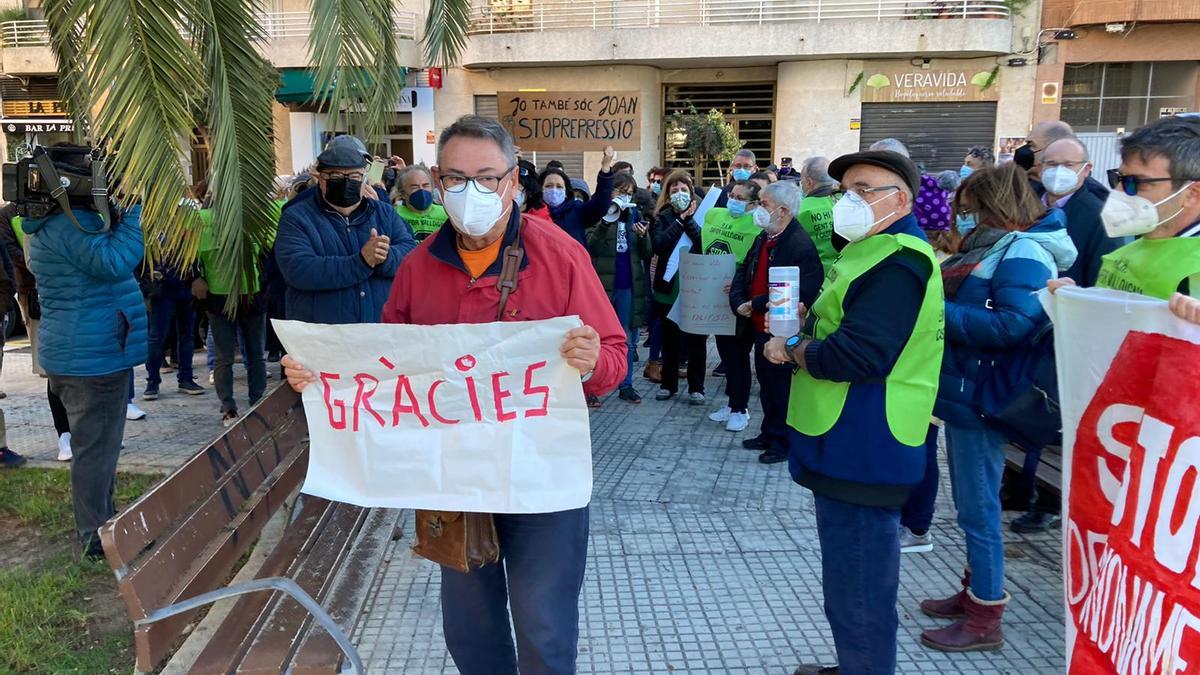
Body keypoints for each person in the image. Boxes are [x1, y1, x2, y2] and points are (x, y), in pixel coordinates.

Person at [283, 115, 626, 674]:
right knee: (470, 632)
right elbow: (387, 366)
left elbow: (614, 355)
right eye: (456, 178)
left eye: (487, 177)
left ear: (514, 180)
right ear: (439, 184)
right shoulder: (419, 268)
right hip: (454, 479)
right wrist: (322, 377)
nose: (473, 191)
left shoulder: (560, 255)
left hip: (542, 478)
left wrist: (592, 363)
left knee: (544, 626)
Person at [764, 150, 944, 675]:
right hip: (846, 439)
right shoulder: (870, 250)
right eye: (846, 190)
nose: (851, 200)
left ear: (902, 199)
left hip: (868, 443)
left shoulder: (900, 261)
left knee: (860, 587)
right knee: (849, 581)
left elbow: (857, 355)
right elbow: (846, 327)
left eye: (866, 189)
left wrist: (792, 346)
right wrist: (808, 323)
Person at [921, 163, 1076, 653]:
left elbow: (1015, 325)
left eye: (969, 210)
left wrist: (933, 309)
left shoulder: (1023, 252)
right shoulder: (994, 248)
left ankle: (986, 616)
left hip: (984, 398)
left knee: (979, 509)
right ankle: (973, 593)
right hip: (967, 393)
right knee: (971, 504)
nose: (962, 219)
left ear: (996, 207)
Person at [24, 192, 148, 557]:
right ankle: (96, 539)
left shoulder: (57, 222)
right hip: (93, 359)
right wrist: (133, 214)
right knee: (95, 452)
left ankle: (103, 526)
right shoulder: (69, 224)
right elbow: (114, 261)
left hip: (83, 352)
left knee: (97, 449)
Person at [1052, 114, 1200, 323]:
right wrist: (1078, 301)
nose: (1119, 192)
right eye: (1119, 179)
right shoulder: (1124, 253)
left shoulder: (1195, 269)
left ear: (1192, 193)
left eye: (1136, 182)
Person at [275, 135, 416, 324]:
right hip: (323, 338)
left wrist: (385, 256)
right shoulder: (296, 217)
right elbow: (299, 270)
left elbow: (410, 254)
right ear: (320, 178)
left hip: (380, 333)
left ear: (364, 178)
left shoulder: (384, 212)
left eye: (354, 176)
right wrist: (361, 262)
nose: (346, 181)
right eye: (336, 176)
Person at [730, 181, 822, 464]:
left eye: (763, 204)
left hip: (779, 330)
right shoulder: (766, 236)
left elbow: (794, 291)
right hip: (759, 325)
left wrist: (753, 304)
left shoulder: (798, 244)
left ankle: (782, 441)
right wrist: (737, 300)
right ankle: (768, 433)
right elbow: (745, 268)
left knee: (780, 388)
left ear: (782, 211)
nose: (758, 209)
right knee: (767, 385)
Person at [194, 195, 269, 428]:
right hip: (220, 299)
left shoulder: (252, 222)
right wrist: (195, 277)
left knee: (254, 355)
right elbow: (185, 255)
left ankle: (256, 401)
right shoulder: (204, 221)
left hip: (251, 296)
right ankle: (228, 407)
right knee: (225, 357)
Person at [703, 180, 763, 432]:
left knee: (738, 357)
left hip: (740, 302)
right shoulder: (716, 216)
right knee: (726, 353)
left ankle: (740, 409)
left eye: (740, 198)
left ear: (753, 204)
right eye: (732, 195)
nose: (733, 200)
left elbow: (756, 267)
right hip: (716, 297)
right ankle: (731, 403)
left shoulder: (759, 228)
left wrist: (740, 288)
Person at [589, 172, 651, 406]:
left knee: (626, 338)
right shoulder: (597, 214)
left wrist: (643, 237)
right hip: (602, 288)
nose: (624, 196)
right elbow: (591, 246)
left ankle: (626, 385)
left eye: (628, 192)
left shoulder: (635, 215)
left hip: (627, 287)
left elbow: (646, 254)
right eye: (620, 191)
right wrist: (608, 219)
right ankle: (591, 387)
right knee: (595, 337)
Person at [650, 170, 707, 403]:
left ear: (691, 193)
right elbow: (660, 245)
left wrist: (690, 220)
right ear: (667, 194)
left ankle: (697, 387)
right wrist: (679, 220)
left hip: (695, 287)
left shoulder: (703, 216)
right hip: (668, 290)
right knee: (670, 340)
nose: (680, 194)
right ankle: (668, 384)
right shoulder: (661, 217)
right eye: (675, 191)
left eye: (684, 190)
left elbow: (704, 242)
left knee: (696, 341)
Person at [140, 253, 204, 401]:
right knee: (157, 336)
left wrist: (196, 276)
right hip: (161, 287)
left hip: (186, 284)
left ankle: (186, 378)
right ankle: (152, 381)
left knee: (186, 335)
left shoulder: (188, 229)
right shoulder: (151, 231)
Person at [540, 154, 615, 248]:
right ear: (540, 188)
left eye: (559, 186)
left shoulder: (576, 210)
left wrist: (606, 168)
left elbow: (601, 203)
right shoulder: (532, 213)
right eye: (548, 186)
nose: (554, 190)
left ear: (566, 191)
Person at [796, 156, 839, 269]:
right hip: (842, 271)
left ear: (809, 182)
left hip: (814, 272)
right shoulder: (845, 201)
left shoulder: (799, 209)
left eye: (802, 180)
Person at [392, 164, 448, 242]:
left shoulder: (446, 214)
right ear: (403, 193)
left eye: (426, 185)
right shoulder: (394, 215)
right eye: (414, 187)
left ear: (432, 188)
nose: (421, 190)